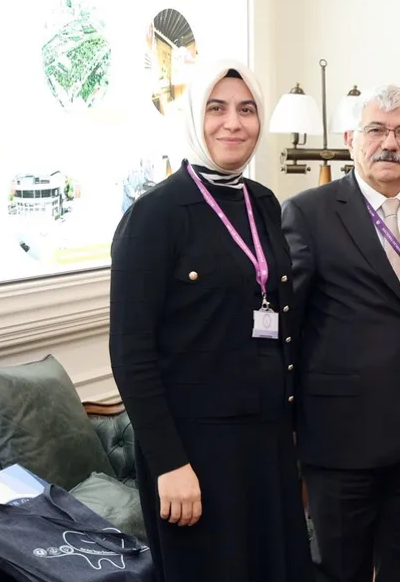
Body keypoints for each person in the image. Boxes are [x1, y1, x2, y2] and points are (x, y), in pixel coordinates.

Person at [108, 60, 312, 582]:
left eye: (247, 110)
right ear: (193, 118)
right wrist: (170, 463)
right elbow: (130, 352)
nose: (233, 124)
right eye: (216, 109)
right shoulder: (154, 214)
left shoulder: (262, 202)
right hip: (194, 450)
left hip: (266, 439)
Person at [281, 85, 400, 582]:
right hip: (340, 432)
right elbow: (289, 324)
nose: (390, 143)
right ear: (351, 139)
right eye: (376, 130)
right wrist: (287, 413)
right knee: (341, 569)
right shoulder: (309, 212)